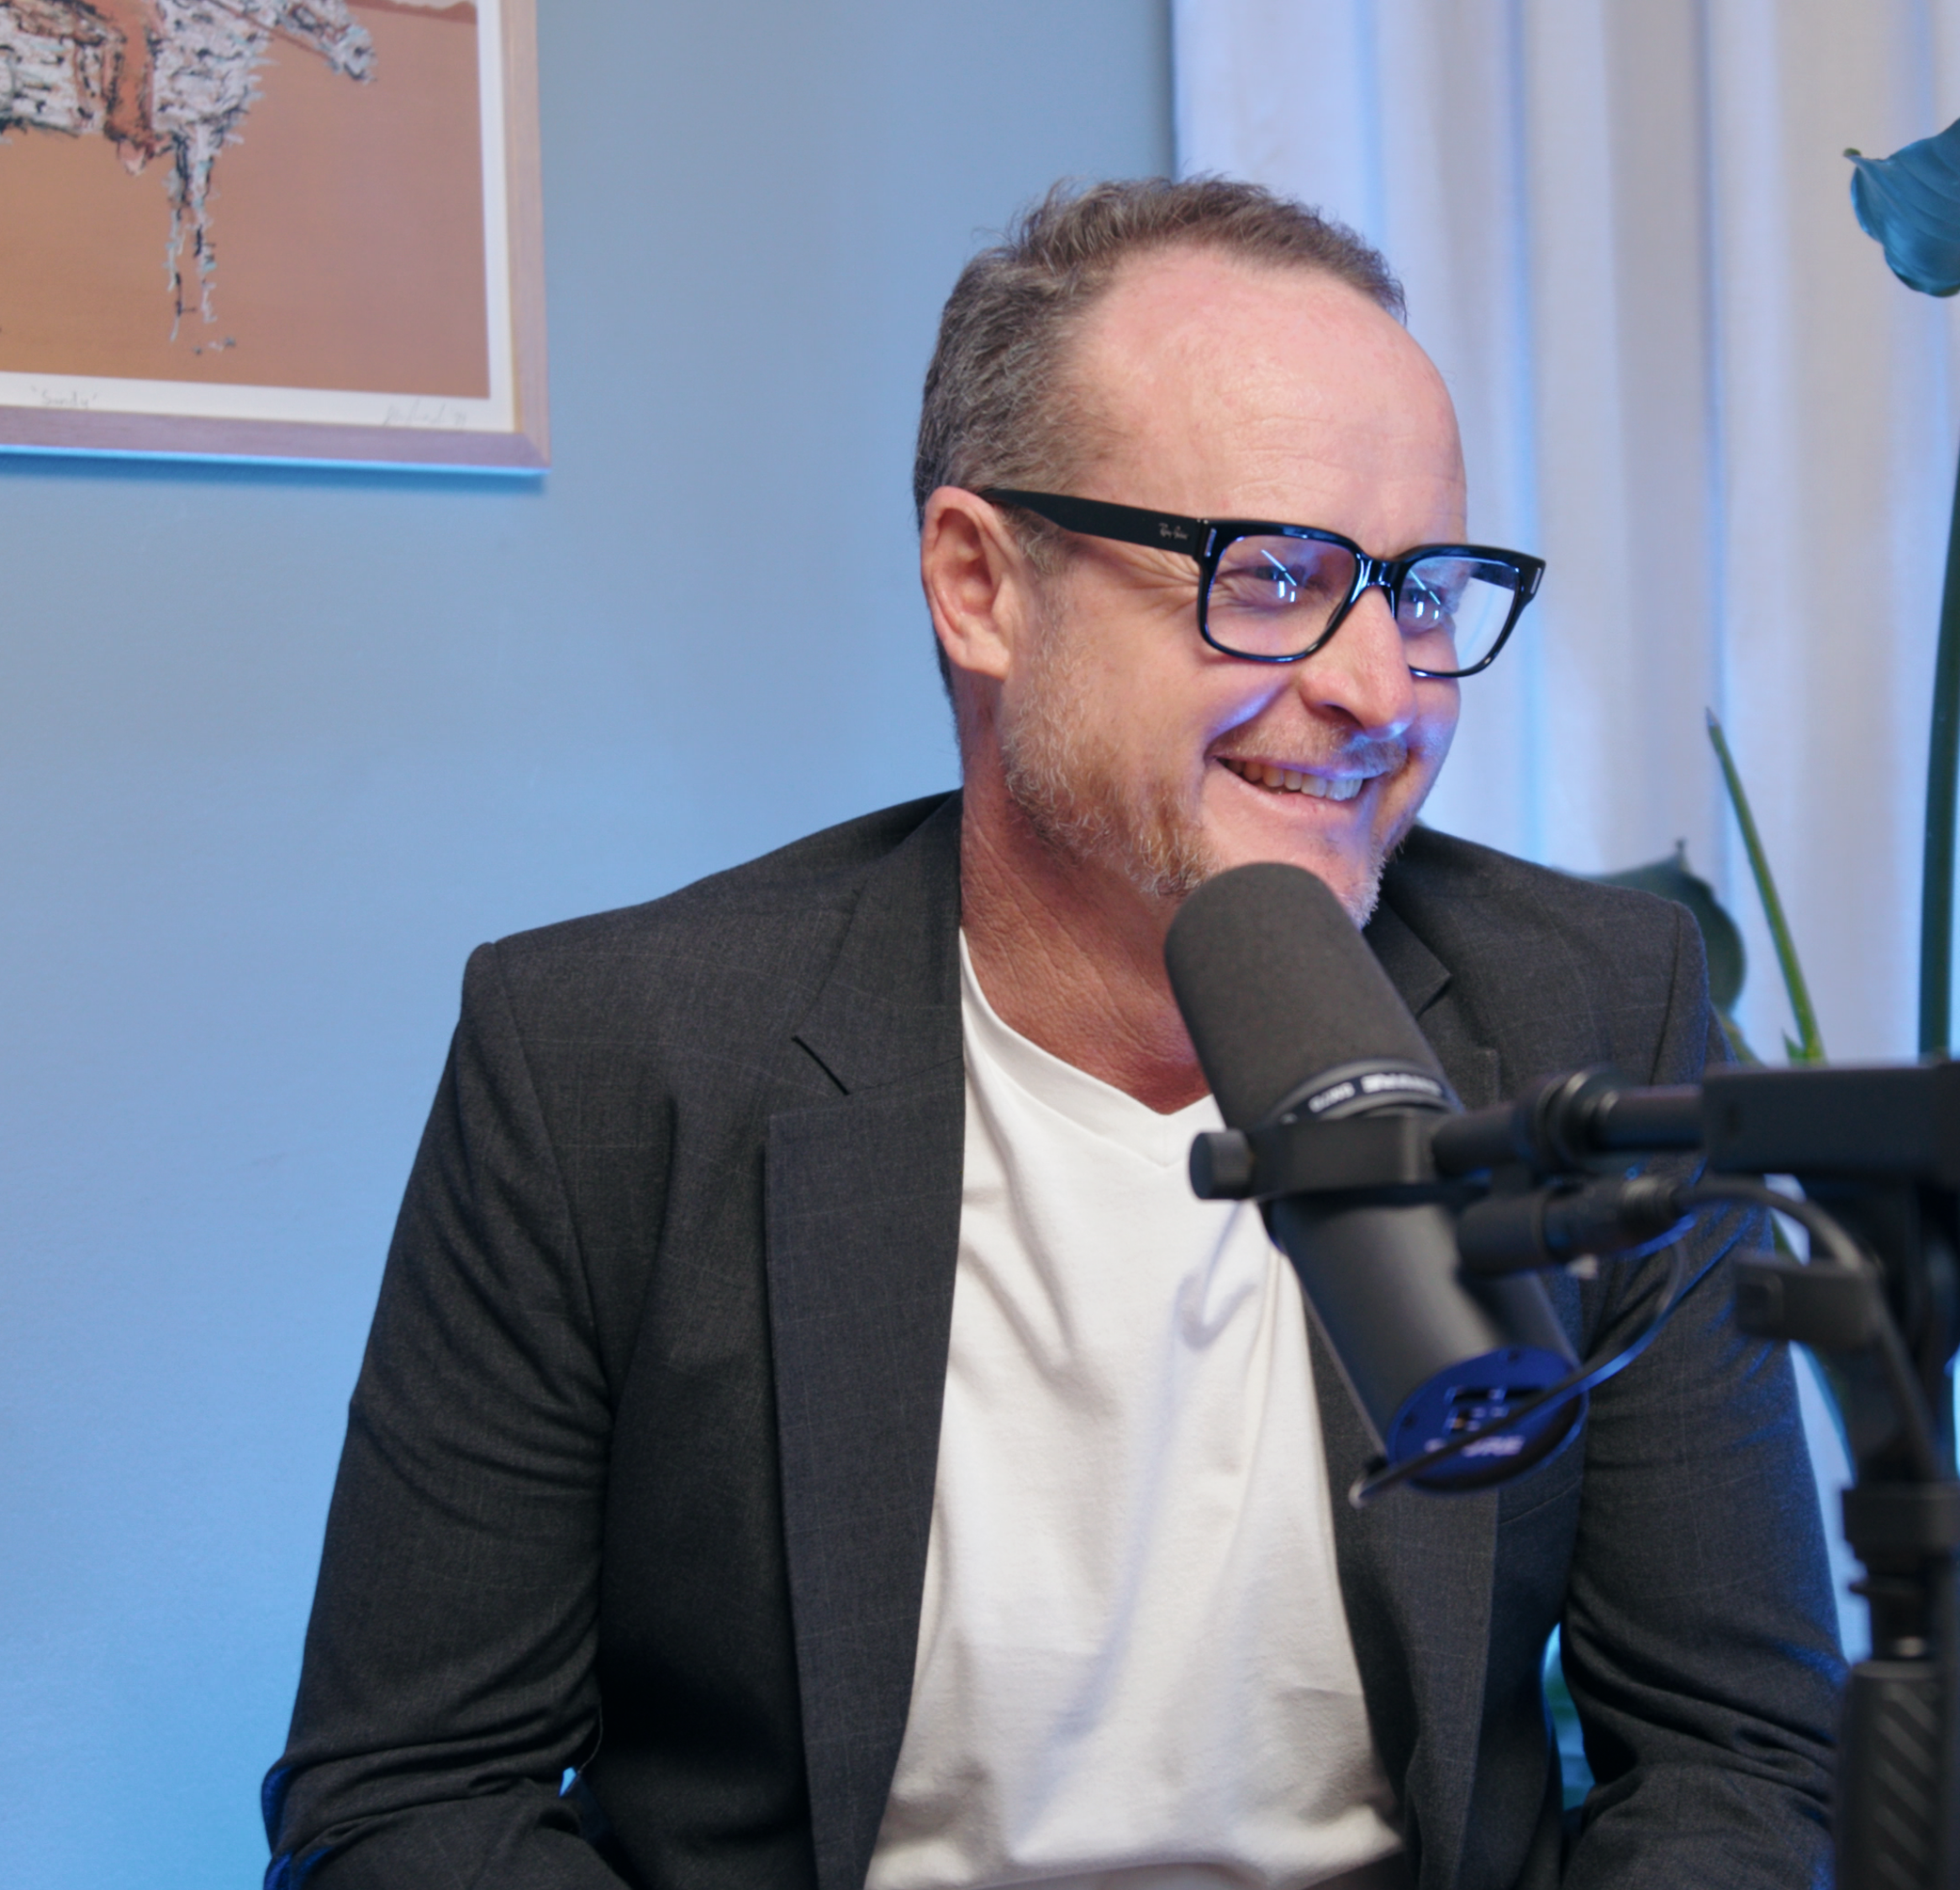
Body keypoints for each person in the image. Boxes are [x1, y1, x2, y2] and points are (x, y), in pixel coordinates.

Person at [264, 179, 1841, 1890]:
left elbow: (1739, 1752)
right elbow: (405, 1800)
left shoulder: (1596, 1013)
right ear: (979, 586)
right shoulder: (609, 1058)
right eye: (1280, 574)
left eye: (1424, 591)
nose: (1382, 690)